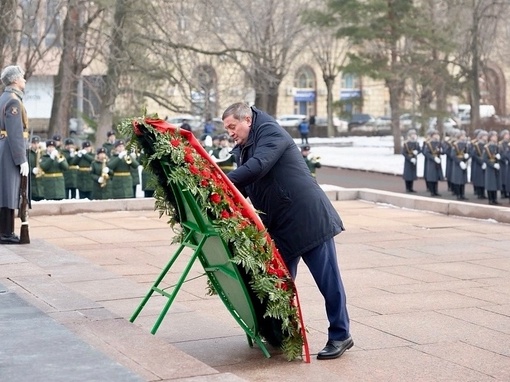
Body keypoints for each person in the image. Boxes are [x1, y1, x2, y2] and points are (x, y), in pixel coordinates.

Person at [222, 102, 352, 360]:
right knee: (277, 282)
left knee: (328, 282)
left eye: (232, 127)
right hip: (281, 225)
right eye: (227, 129)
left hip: (308, 219)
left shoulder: (271, 132)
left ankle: (341, 335)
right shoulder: (243, 148)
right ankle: (279, 332)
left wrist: (222, 180)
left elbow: (259, 166)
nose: (230, 133)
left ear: (247, 119)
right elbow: (245, 187)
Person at [0, 65, 29, 244]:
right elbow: (15, 133)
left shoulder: (4, 97)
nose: (24, 80)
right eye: (22, 77)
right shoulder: (13, 101)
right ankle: (6, 232)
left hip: (4, 147)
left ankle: (5, 230)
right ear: (15, 80)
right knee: (10, 191)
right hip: (10, 149)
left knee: (5, 190)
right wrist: (21, 159)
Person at [422, 129, 444, 197]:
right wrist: (433, 158)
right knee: (432, 176)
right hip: (431, 162)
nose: (437, 136)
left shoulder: (439, 143)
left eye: (437, 134)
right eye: (435, 134)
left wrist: (442, 151)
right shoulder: (428, 143)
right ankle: (432, 191)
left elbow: (442, 151)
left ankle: (436, 191)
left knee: (436, 177)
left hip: (438, 161)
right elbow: (426, 153)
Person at [449, 130, 470, 200]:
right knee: (458, 180)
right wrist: (459, 162)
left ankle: (462, 194)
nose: (464, 137)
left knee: (463, 180)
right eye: (462, 135)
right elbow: (453, 155)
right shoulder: (455, 144)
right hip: (457, 164)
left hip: (464, 162)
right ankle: (458, 194)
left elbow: (467, 153)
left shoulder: (466, 144)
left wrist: (466, 157)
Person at [483, 130, 501, 205]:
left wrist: (499, 158)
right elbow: (485, 158)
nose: (496, 137)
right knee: (490, 184)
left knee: (495, 183)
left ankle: (495, 199)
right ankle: (490, 199)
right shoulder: (487, 147)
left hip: (496, 167)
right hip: (490, 167)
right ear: (490, 138)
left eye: (496, 136)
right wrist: (493, 165)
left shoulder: (497, 146)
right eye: (494, 136)